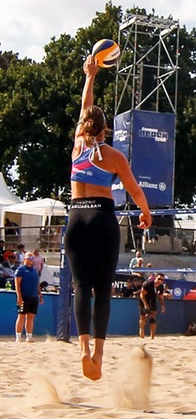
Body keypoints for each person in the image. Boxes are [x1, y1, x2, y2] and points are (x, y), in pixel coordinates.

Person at [66, 54, 152, 380]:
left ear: (85, 127)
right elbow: (136, 192)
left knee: (79, 286)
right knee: (102, 289)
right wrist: (144, 215)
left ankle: (83, 349)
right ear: (106, 129)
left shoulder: (77, 147)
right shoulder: (114, 156)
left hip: (76, 218)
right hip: (102, 219)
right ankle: (98, 357)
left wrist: (90, 76)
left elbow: (85, 108)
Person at [14, 252, 41, 342]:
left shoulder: (35, 271)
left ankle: (29, 336)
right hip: (24, 296)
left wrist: (40, 295)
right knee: (21, 315)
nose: (30, 261)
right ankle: (18, 337)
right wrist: (19, 296)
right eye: (29, 259)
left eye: (32, 259)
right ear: (25, 259)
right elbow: (17, 284)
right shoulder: (21, 270)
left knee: (31, 316)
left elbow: (37, 285)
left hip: (34, 297)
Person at [139, 273, 168, 339]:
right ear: (155, 278)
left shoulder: (161, 286)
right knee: (143, 318)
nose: (160, 281)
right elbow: (142, 295)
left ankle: (152, 337)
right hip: (144, 300)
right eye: (159, 279)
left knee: (152, 318)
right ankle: (142, 331)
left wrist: (163, 305)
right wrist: (145, 305)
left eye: (162, 280)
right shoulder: (148, 284)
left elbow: (160, 296)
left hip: (152, 300)